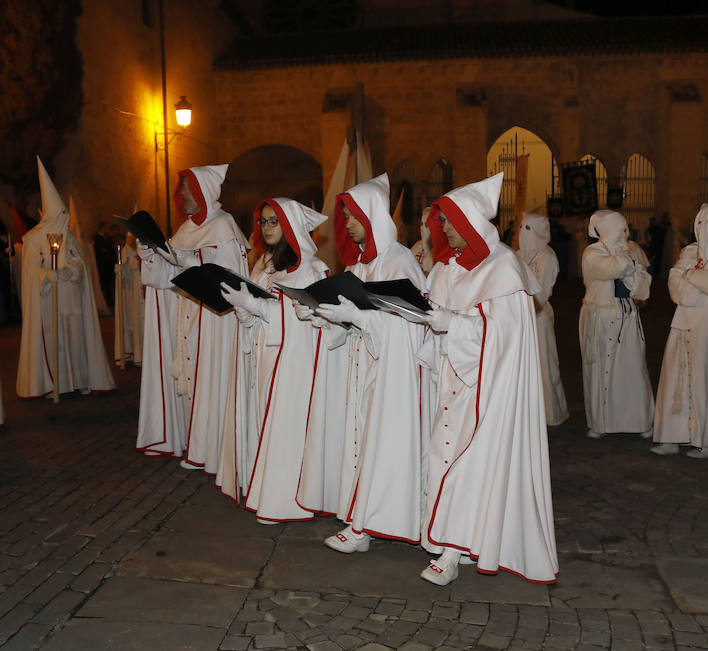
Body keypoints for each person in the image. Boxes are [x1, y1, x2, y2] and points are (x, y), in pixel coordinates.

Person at [417, 173, 558, 586]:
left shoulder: (503, 267)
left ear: (472, 223)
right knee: (443, 456)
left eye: (448, 220)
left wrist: (451, 325)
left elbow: (505, 335)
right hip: (451, 378)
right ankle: (445, 535)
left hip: (487, 386)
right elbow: (436, 314)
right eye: (440, 220)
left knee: (471, 459)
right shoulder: (447, 268)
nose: (441, 227)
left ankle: (453, 548)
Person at [313, 173, 430, 553]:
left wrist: (361, 318)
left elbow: (413, 323)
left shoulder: (398, 262)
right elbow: (356, 317)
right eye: (344, 216)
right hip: (365, 364)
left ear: (374, 216)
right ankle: (360, 518)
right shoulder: (359, 266)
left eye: (352, 216)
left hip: (393, 374)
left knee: (386, 445)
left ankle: (370, 523)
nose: (345, 224)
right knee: (363, 441)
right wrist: (329, 317)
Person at [217, 198, 331, 523]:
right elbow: (257, 310)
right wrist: (244, 310)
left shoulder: (311, 269)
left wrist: (256, 308)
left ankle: (285, 500)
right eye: (263, 221)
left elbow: (304, 317)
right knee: (263, 417)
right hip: (265, 355)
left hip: (295, 362)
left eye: (273, 221)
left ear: (289, 226)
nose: (266, 228)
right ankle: (264, 486)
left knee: (287, 428)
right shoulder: (264, 264)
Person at [136, 164, 248, 468]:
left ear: (204, 193)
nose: (183, 196)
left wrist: (187, 260)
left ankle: (211, 450)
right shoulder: (185, 230)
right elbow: (164, 278)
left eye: (189, 191)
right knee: (192, 376)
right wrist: (150, 254)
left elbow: (228, 277)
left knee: (211, 378)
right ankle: (193, 441)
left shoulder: (224, 227)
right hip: (189, 313)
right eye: (181, 191)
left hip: (216, 320)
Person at [16, 157, 115, 398]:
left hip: (71, 299)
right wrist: (46, 275)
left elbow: (78, 262)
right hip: (48, 300)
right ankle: (53, 384)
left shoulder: (68, 237)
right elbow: (30, 273)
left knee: (74, 341)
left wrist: (69, 271)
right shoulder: (33, 239)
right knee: (54, 343)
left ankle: (77, 380)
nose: (63, 218)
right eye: (58, 213)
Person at [651, 204, 708, 458]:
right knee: (676, 375)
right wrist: (695, 284)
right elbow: (674, 284)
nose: (704, 228)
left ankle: (707, 440)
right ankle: (673, 434)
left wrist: (690, 276)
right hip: (684, 317)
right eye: (700, 222)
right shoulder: (690, 251)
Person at [580, 210, 654, 439]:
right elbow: (614, 268)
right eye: (620, 229)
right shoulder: (592, 253)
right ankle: (601, 423)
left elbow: (642, 285)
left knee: (632, 370)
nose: (626, 233)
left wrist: (632, 269)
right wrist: (628, 259)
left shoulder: (629, 251)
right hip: (600, 317)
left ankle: (639, 421)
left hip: (626, 317)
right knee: (600, 370)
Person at [517, 212, 569, 426]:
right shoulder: (518, 254)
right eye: (521, 227)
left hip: (538, 317)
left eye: (528, 229)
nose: (523, 233)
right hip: (520, 318)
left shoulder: (547, 257)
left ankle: (551, 412)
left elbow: (540, 292)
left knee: (544, 364)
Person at [114, 233, 144, 367]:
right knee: (135, 321)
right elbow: (125, 271)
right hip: (134, 291)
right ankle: (137, 354)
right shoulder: (127, 249)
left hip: (145, 287)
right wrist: (121, 270)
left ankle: (145, 354)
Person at [93, 221, 116, 308]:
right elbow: (100, 251)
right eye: (105, 227)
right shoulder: (97, 238)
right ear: (101, 228)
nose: (106, 229)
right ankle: (106, 301)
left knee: (109, 284)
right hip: (102, 265)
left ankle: (110, 301)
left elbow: (110, 250)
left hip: (109, 265)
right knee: (104, 284)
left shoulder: (107, 238)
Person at [410, 208, 434, 275]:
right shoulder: (417, 246)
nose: (422, 228)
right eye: (421, 224)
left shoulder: (440, 251)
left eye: (426, 225)